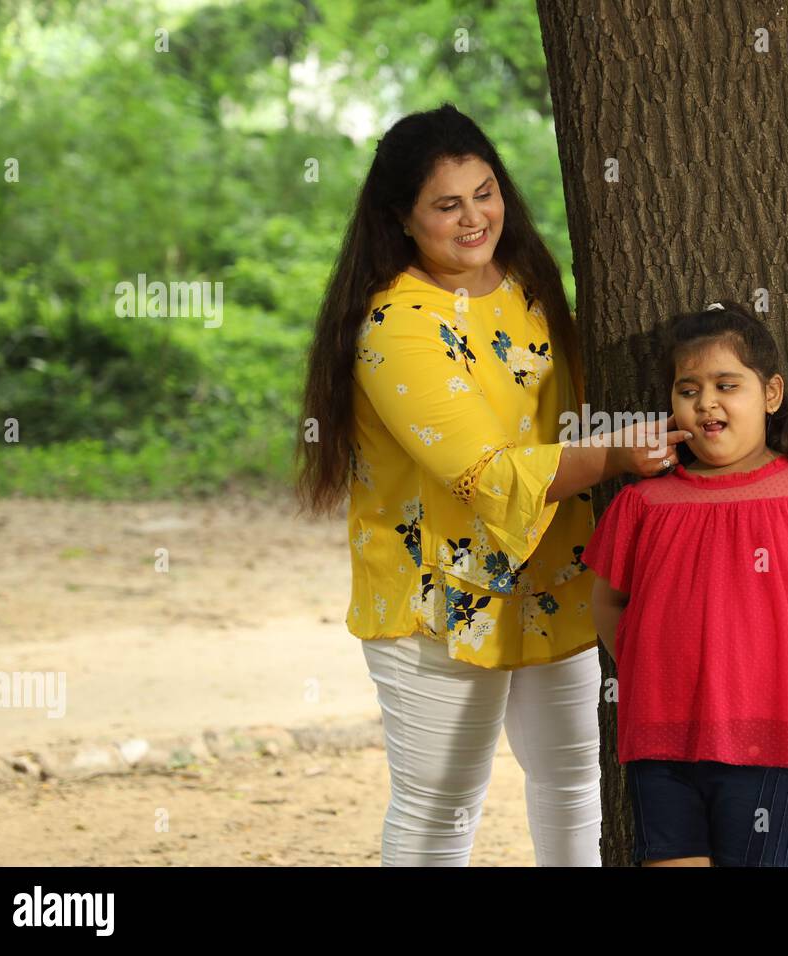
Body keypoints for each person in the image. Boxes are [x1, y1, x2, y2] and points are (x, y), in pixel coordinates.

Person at [295, 103, 691, 866]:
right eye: (447, 204)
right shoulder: (395, 326)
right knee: (440, 807)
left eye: (485, 192)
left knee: (576, 783)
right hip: (438, 594)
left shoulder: (527, 282)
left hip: (553, 572)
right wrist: (612, 457)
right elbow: (484, 475)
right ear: (401, 218)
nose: (475, 217)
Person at [582, 299, 788, 867]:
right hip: (661, 741)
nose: (706, 403)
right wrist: (649, 670)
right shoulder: (643, 503)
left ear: (770, 394)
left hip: (773, 739)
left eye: (727, 384)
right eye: (688, 389)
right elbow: (606, 599)